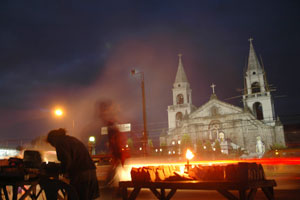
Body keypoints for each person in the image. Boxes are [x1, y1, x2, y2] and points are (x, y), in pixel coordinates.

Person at [46, 128, 99, 200]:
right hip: (91, 173)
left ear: (53, 139)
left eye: (51, 143)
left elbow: (67, 161)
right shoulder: (71, 139)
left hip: (81, 176)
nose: (53, 146)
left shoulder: (60, 143)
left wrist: (58, 171)